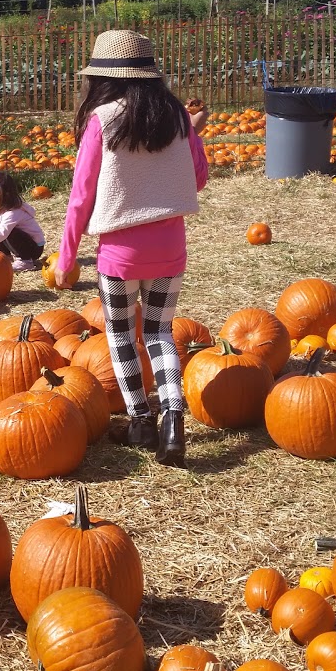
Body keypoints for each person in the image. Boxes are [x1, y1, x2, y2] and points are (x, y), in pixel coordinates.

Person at [54, 30, 208, 467]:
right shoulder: (177, 118)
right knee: (160, 334)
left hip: (119, 255)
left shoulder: (102, 120)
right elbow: (196, 178)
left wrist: (66, 260)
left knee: (121, 336)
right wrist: (191, 140)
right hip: (170, 248)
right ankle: (173, 420)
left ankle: (141, 421)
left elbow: (81, 196)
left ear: (103, 79)